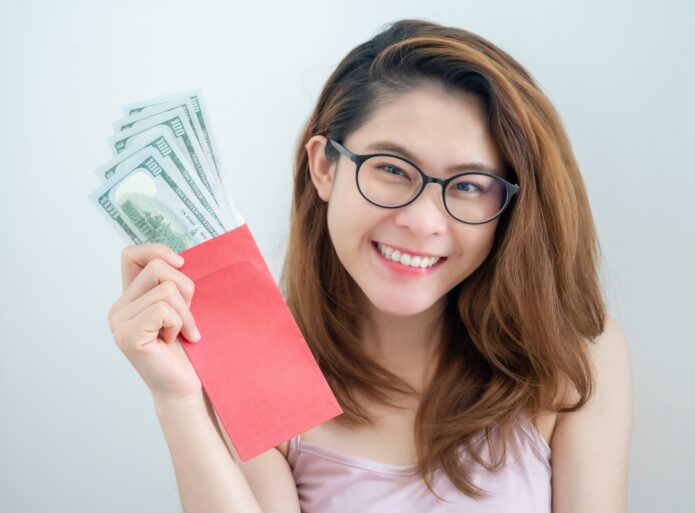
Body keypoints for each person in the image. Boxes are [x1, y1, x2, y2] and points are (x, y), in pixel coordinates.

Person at [107, 18, 633, 513]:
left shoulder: (572, 355)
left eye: (469, 185)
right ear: (324, 167)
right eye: (391, 169)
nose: (424, 221)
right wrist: (176, 399)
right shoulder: (256, 361)